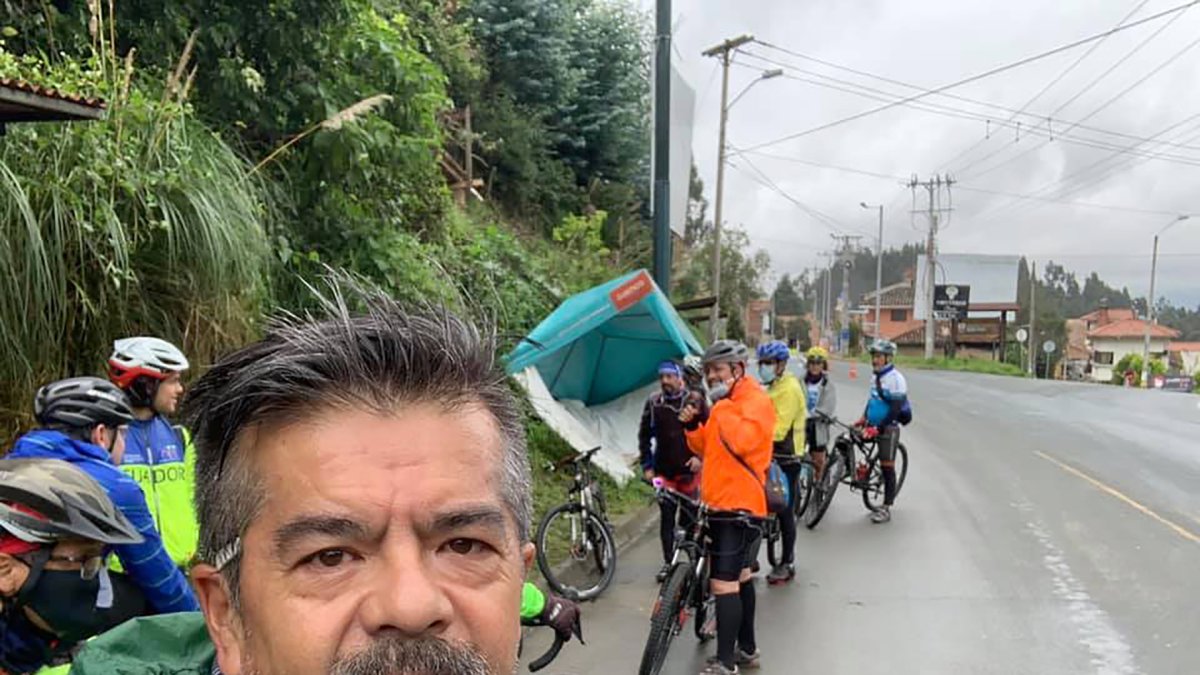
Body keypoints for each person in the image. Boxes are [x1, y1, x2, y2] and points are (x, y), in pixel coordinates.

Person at [67, 287, 582, 675]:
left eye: (465, 545)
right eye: (330, 556)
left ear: (519, 578)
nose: (411, 606)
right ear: (226, 615)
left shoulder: (168, 437)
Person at [6, 377, 199, 615]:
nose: (124, 445)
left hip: (11, 605)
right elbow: (157, 576)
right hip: (47, 609)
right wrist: (198, 624)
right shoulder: (114, 486)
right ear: (100, 435)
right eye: (124, 435)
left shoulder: (11, 465)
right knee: (138, 601)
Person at [0, 458, 148, 674]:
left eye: (98, 560)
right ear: (5, 571)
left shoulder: (40, 652)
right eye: (84, 560)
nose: (100, 583)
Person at [680, 340, 774, 675]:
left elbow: (742, 442)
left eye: (718, 370)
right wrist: (693, 426)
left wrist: (722, 406)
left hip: (738, 507)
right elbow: (709, 447)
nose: (711, 377)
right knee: (742, 579)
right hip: (721, 503)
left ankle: (725, 663)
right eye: (708, 371)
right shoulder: (728, 402)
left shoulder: (755, 401)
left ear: (737, 369)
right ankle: (747, 649)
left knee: (723, 585)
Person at [106, 336, 199, 569]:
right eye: (173, 381)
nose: (180, 389)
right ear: (147, 384)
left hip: (179, 571)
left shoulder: (180, 437)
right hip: (124, 577)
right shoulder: (106, 438)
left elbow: (197, 500)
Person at [639, 360, 707, 581]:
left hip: (689, 473)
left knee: (690, 519)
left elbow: (710, 432)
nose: (665, 381)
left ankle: (692, 564)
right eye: (661, 377)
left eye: (669, 376)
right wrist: (647, 467)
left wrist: (700, 458)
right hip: (663, 473)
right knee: (666, 518)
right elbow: (644, 436)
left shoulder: (695, 401)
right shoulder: (653, 403)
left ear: (680, 378)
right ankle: (669, 563)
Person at [755, 340, 806, 585]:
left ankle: (787, 562)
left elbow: (778, 430)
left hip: (787, 457)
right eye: (761, 363)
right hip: (767, 454)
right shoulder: (771, 386)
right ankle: (750, 556)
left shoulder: (789, 389)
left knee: (784, 510)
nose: (763, 367)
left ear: (781, 365)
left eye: (768, 363)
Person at [857, 339, 909, 525]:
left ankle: (886, 507)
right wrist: (863, 419)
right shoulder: (875, 376)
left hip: (889, 426)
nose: (875, 360)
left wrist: (877, 428)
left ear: (887, 358)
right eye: (873, 356)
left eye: (878, 356)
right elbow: (873, 400)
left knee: (887, 466)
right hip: (872, 423)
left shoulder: (896, 379)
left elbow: (895, 409)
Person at [802, 347, 838, 483]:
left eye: (818, 363)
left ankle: (819, 483)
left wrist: (817, 414)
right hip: (801, 424)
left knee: (818, 459)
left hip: (818, 426)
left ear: (823, 365)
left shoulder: (828, 385)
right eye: (812, 363)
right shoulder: (801, 382)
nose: (815, 366)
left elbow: (828, 407)